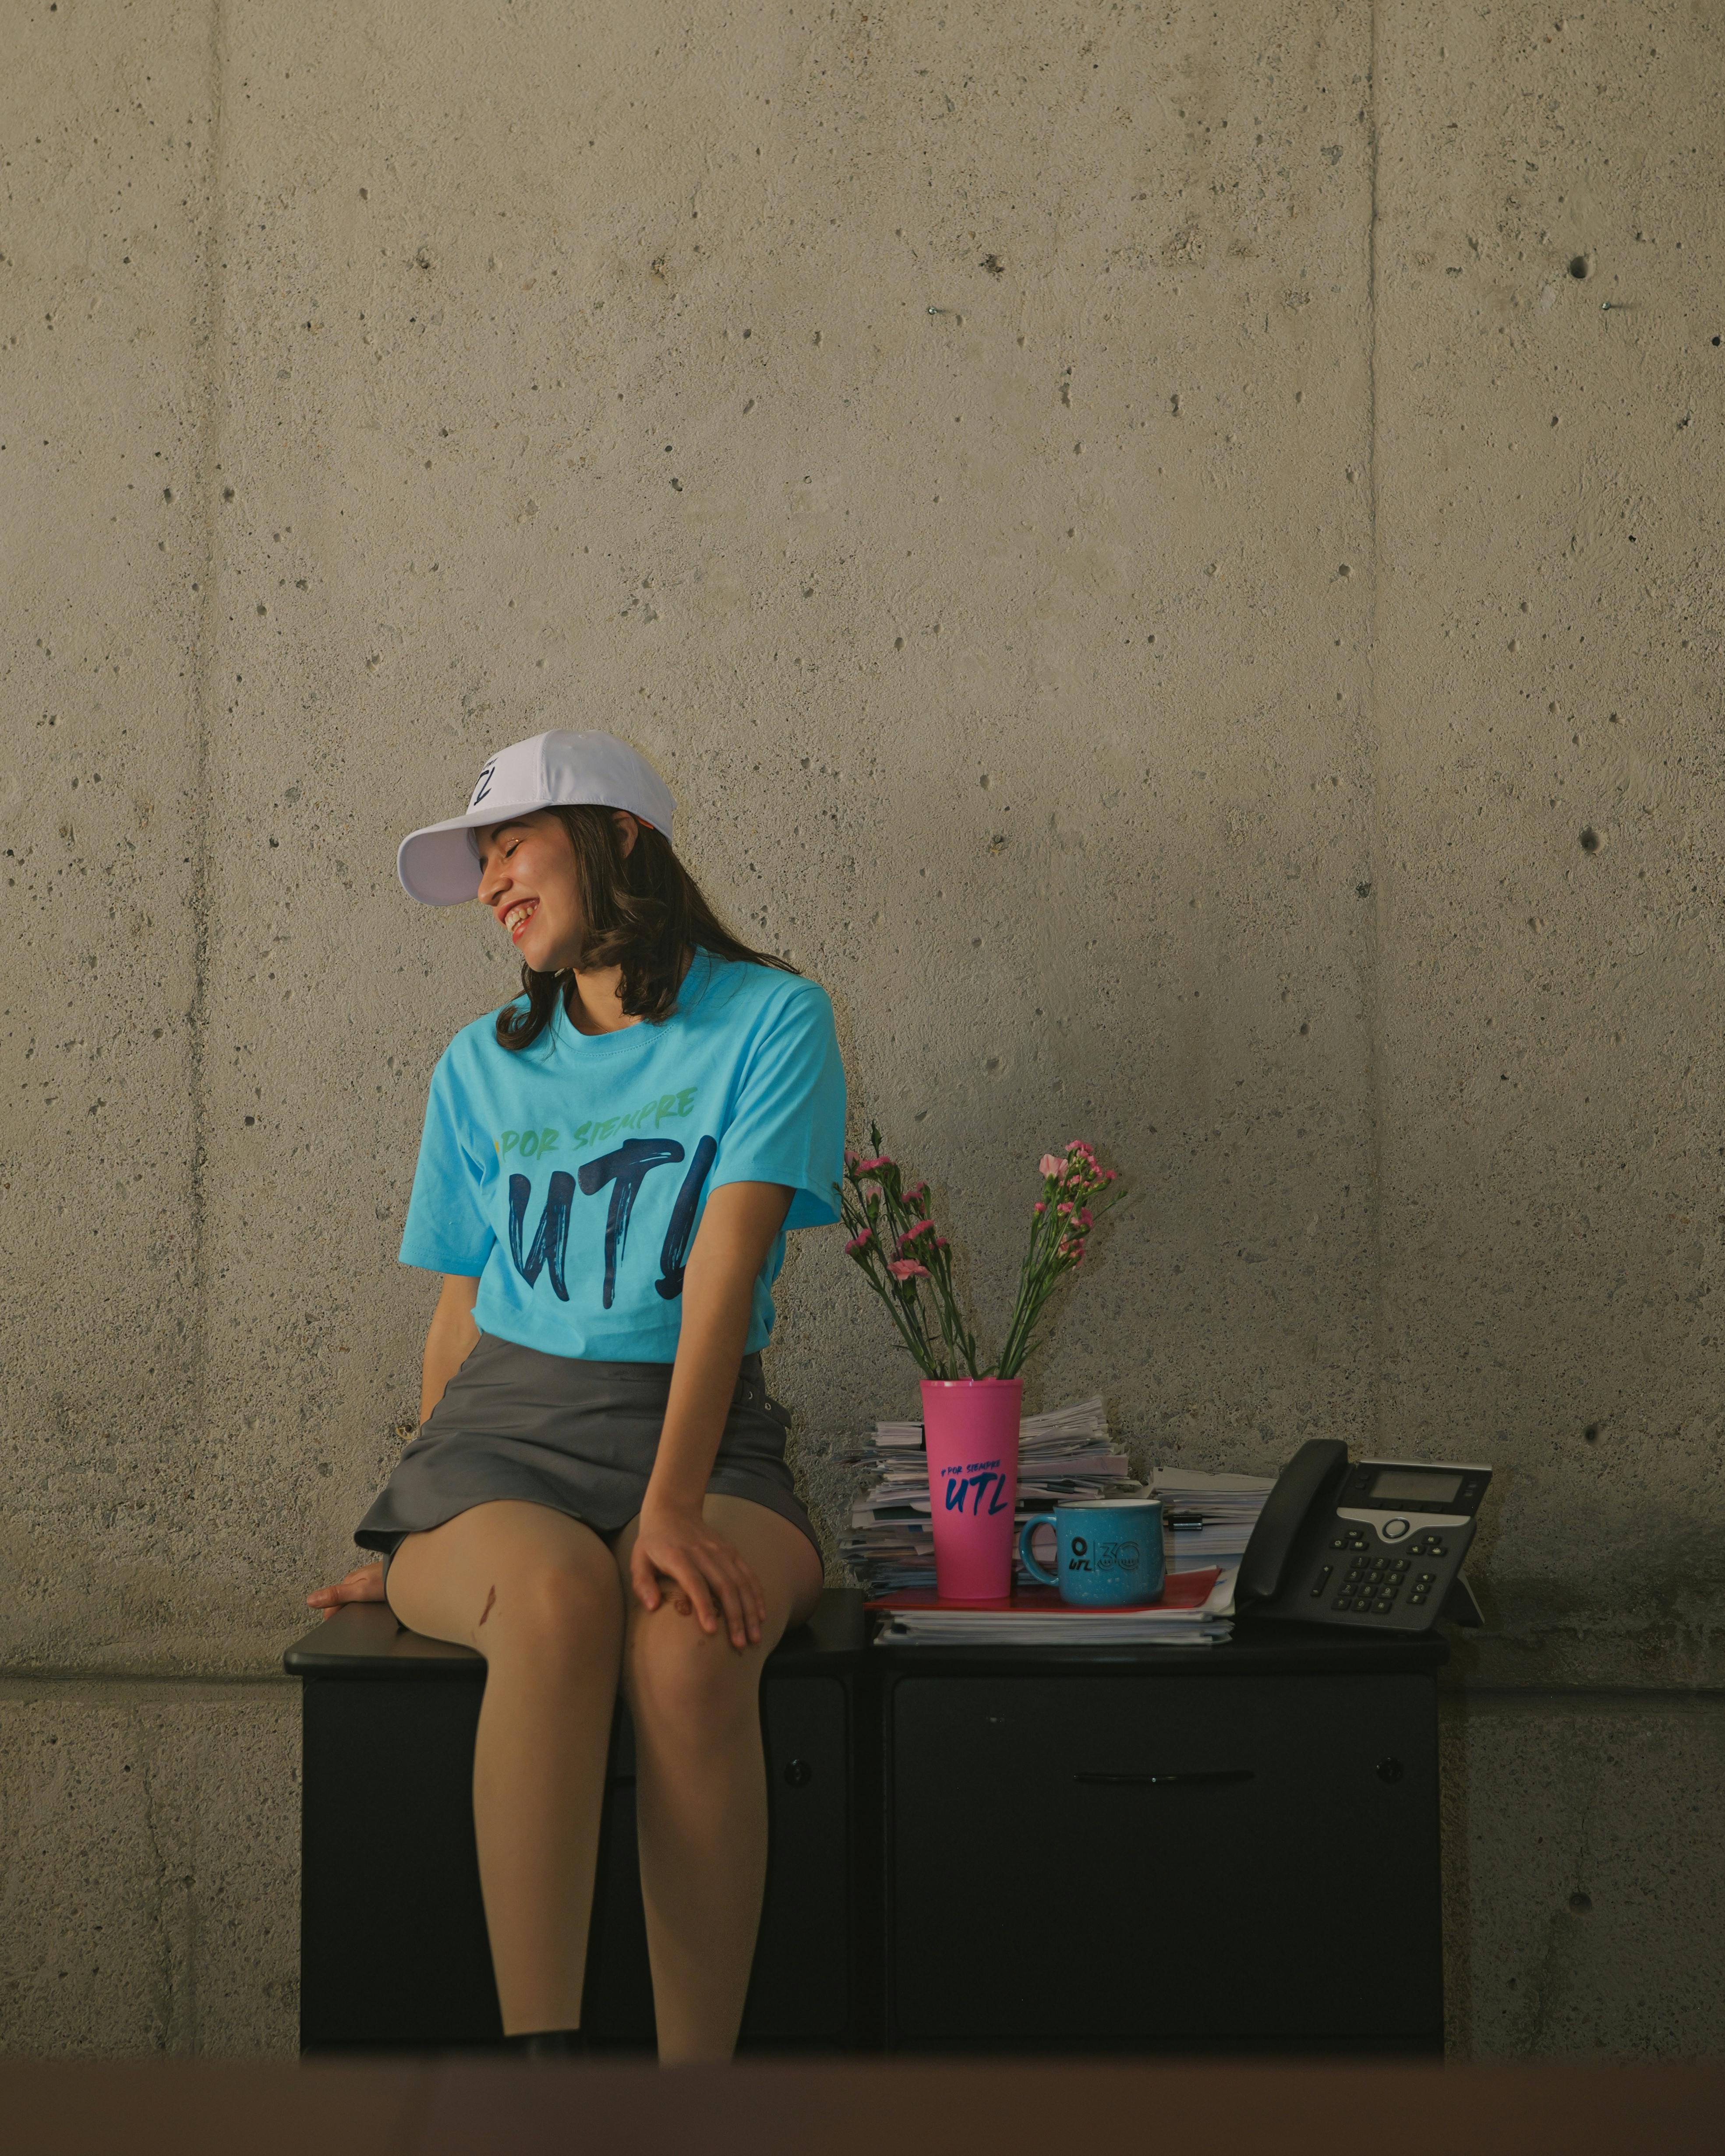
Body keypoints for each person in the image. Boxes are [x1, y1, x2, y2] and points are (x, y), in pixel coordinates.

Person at [305, 729, 845, 2063]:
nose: (489, 885)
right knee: (553, 1598)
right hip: (501, 1439)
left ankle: (692, 2098)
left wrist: (670, 1502)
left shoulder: (771, 1019)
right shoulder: (478, 1064)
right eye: (478, 862)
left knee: (686, 1642)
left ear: (616, 836)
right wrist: (420, 1522)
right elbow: (459, 1310)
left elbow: (725, 1271)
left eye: (510, 847)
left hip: (709, 1433)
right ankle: (543, 2093)